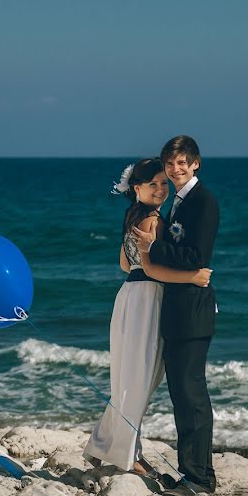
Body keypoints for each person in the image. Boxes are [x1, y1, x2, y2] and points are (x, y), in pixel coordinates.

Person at [83, 157, 212, 478]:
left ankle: (102, 444)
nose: (159, 189)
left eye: (163, 183)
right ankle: (128, 456)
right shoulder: (152, 221)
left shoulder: (133, 216)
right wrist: (193, 278)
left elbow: (125, 266)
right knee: (140, 380)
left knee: (129, 378)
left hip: (130, 296)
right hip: (148, 300)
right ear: (136, 188)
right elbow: (152, 269)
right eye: (152, 184)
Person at [133, 136, 220, 496]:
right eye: (170, 164)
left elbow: (195, 257)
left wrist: (152, 247)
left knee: (191, 395)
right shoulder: (180, 202)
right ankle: (194, 475)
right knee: (183, 397)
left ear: (196, 163)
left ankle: (199, 480)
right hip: (178, 312)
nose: (175, 169)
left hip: (193, 312)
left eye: (182, 162)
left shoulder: (203, 201)